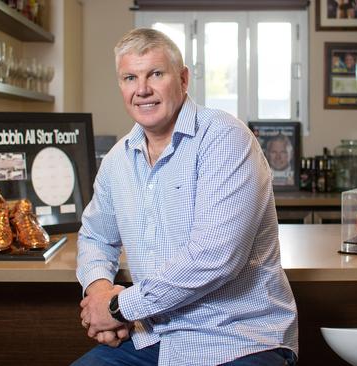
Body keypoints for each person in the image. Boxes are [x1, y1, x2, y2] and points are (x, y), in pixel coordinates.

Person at [72, 28, 298, 366]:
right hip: (154, 336)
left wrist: (118, 308)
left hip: (237, 340)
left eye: (156, 74)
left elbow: (215, 257)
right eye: (130, 77)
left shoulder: (226, 139)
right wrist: (99, 290)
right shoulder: (118, 159)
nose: (142, 89)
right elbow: (95, 236)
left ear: (183, 79)